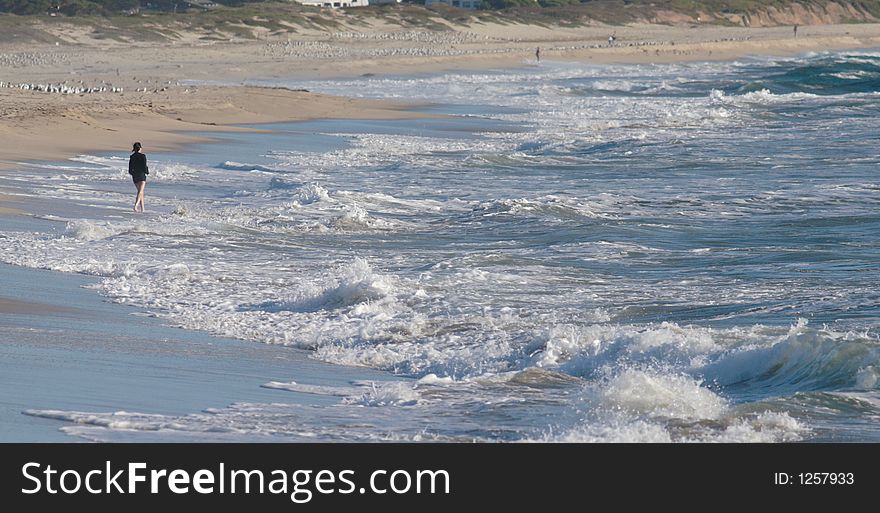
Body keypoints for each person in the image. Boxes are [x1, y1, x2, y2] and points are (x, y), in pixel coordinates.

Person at [128, 142, 149, 212]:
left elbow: (130, 168)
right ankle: (136, 205)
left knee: (141, 192)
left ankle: (143, 209)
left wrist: (132, 174)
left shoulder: (132, 156)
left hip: (135, 176)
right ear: (140, 148)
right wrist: (147, 172)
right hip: (141, 175)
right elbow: (144, 166)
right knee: (140, 191)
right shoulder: (143, 156)